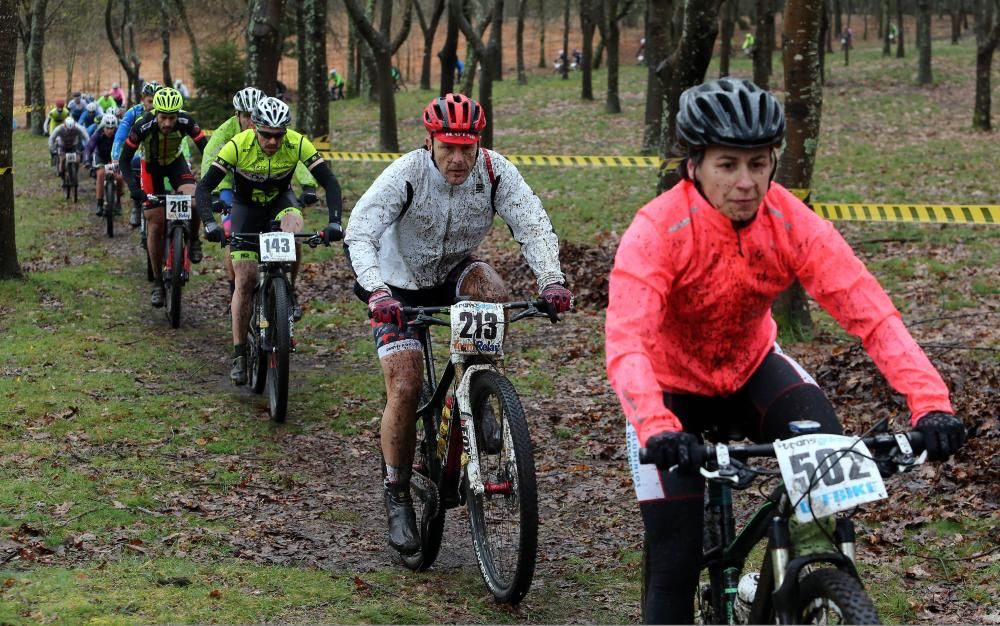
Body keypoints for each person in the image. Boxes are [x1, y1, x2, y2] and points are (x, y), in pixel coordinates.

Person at [604, 78, 966, 625]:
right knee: (674, 565)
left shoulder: (791, 221)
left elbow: (870, 312)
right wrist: (656, 426)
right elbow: (627, 338)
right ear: (695, 164)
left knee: (824, 497)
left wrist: (930, 403)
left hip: (752, 370)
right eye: (728, 165)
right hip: (667, 392)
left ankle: (799, 590)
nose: (747, 183)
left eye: (759, 163)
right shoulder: (658, 229)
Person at [343, 93, 574, 556]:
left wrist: (551, 280)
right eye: (447, 147)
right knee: (406, 387)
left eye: (466, 148)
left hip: (453, 272)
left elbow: (533, 223)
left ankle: (479, 389)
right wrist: (376, 291)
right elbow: (360, 230)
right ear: (429, 142)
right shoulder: (406, 173)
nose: (457, 158)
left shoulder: (494, 171)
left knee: (490, 286)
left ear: (478, 145)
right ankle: (397, 492)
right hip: (398, 286)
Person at [196, 96, 344, 385]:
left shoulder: (298, 142)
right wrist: (211, 223)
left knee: (294, 225)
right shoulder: (237, 145)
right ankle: (239, 353)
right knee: (245, 280)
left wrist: (335, 221)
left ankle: (284, 292)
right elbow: (204, 187)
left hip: (280, 202)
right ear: (254, 127)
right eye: (267, 135)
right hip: (245, 208)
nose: (273, 142)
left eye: (279, 135)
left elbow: (330, 182)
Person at [201, 87, 321, 301]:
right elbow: (209, 160)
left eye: (252, 115)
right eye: (245, 115)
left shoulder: (272, 132)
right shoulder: (225, 133)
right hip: (230, 186)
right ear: (237, 115)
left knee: (294, 235)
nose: (249, 121)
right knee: (232, 234)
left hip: (272, 189)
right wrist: (214, 196)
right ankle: (235, 283)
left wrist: (308, 185)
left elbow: (296, 157)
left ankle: (289, 286)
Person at [119, 87, 208, 308]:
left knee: (195, 200)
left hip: (175, 164)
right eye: (163, 117)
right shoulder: (142, 125)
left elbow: (207, 150)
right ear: (156, 113)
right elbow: (124, 160)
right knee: (156, 223)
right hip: (150, 168)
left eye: (172, 118)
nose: (167, 123)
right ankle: (158, 282)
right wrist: (134, 189)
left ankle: (195, 240)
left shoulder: (187, 122)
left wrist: (209, 183)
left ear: (178, 114)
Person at [113, 81, 161, 227]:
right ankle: (137, 204)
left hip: (162, 153)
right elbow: (120, 137)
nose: (154, 105)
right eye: (151, 101)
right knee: (134, 162)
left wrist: (187, 156)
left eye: (157, 101)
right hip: (138, 151)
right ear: (142, 100)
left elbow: (182, 140)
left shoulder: (167, 113)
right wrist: (115, 157)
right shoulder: (134, 113)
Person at [84, 113, 125, 217]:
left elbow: (125, 147)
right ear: (103, 127)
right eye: (107, 128)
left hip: (113, 158)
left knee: (119, 178)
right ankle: (99, 203)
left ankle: (118, 203)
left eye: (112, 128)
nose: (109, 130)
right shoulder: (98, 133)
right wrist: (86, 160)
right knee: (101, 174)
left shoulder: (118, 134)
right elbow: (89, 147)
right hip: (100, 157)